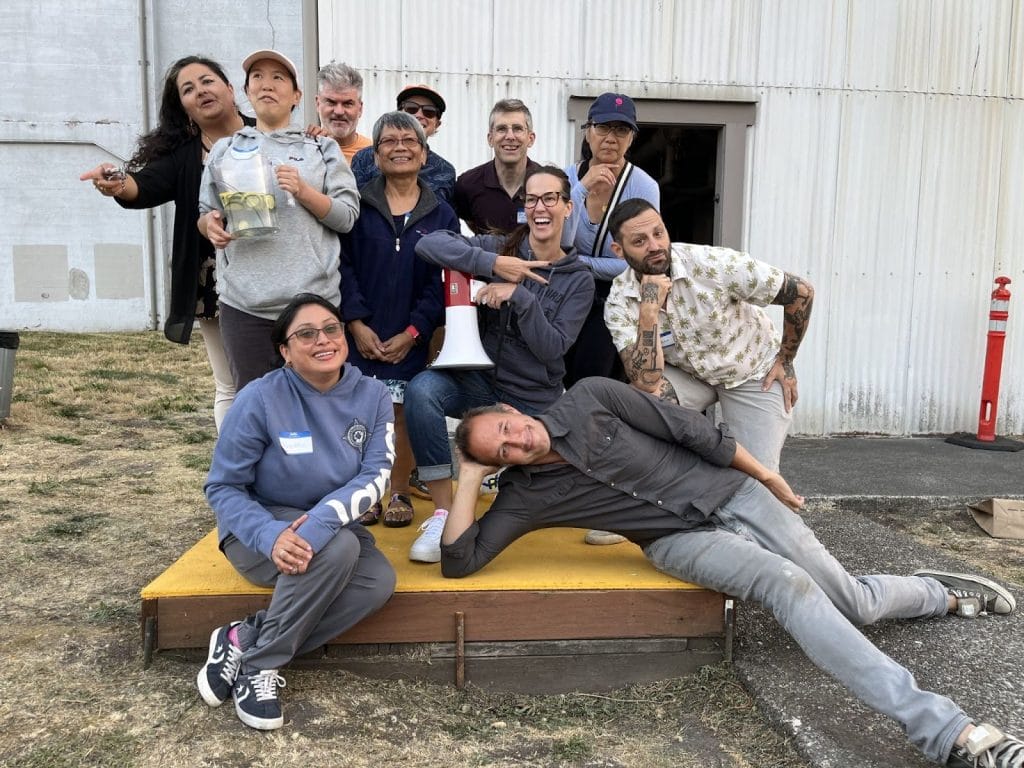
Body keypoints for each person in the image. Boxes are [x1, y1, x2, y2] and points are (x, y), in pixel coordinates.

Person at [442, 376, 1023, 768]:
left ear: (512, 411)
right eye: (500, 452)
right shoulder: (523, 497)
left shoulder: (591, 397)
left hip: (734, 493)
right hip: (677, 541)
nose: (517, 442)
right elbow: (459, 561)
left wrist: (766, 477)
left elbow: (691, 431)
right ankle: (951, 733)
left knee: (854, 603)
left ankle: (937, 592)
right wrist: (467, 475)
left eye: (507, 429)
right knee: (786, 583)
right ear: (497, 468)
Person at [199, 292, 396, 731]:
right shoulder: (259, 397)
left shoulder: (373, 395)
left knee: (377, 584)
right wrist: (270, 535)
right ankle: (260, 667)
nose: (322, 340)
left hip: (331, 525)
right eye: (306, 334)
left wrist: (320, 523)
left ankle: (244, 637)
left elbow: (377, 476)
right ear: (285, 352)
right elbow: (223, 486)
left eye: (331, 329)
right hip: (258, 533)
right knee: (339, 549)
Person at [403, 165, 594, 562]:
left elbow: (553, 349)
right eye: (531, 200)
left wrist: (519, 296)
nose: (540, 208)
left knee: (551, 490)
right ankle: (443, 513)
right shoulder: (501, 247)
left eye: (550, 198)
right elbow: (428, 245)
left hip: (534, 400)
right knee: (422, 391)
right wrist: (492, 264)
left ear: (568, 207)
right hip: (480, 385)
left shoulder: (579, 278)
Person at [80, 55, 253, 431]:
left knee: (286, 374)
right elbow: (141, 186)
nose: (200, 91)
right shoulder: (184, 156)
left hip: (274, 273)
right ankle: (232, 465)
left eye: (206, 81)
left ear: (229, 88)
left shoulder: (266, 136)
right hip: (215, 283)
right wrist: (116, 180)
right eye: (188, 89)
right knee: (231, 384)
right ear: (184, 107)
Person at [605, 196, 814, 472]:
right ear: (619, 250)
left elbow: (801, 292)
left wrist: (786, 359)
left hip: (752, 371)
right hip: (692, 375)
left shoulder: (712, 264)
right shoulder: (619, 300)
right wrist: (649, 310)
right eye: (640, 241)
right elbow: (646, 381)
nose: (654, 246)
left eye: (658, 233)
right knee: (637, 409)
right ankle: (673, 481)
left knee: (756, 476)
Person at [197, 49, 360, 391]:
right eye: (257, 77)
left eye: (278, 77)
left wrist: (304, 191)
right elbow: (206, 212)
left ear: (297, 96)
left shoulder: (321, 148)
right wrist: (210, 226)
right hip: (245, 305)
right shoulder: (225, 150)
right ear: (247, 91)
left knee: (317, 404)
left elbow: (347, 218)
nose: (266, 85)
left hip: (313, 304)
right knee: (255, 405)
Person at [339, 111, 457, 527]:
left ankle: (399, 491)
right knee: (358, 412)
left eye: (410, 141)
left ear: (424, 154)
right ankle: (364, 492)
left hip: (410, 334)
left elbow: (442, 282)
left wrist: (413, 332)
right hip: (361, 332)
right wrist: (355, 323)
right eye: (389, 141)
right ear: (375, 154)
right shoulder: (357, 205)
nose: (400, 148)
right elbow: (342, 267)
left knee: (401, 412)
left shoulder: (442, 214)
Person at [563, 93, 660, 387]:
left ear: (631, 138)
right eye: (603, 127)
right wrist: (581, 189)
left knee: (593, 376)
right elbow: (558, 243)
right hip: (567, 291)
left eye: (621, 130)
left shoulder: (643, 186)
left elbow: (640, 262)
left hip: (615, 296)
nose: (610, 138)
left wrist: (581, 262)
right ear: (588, 131)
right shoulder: (566, 179)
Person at [349, 84, 456, 202]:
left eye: (429, 111)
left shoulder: (445, 171)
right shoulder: (363, 159)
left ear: (437, 124)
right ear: (398, 114)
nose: (419, 115)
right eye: (411, 108)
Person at [451, 98, 540, 234]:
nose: (510, 136)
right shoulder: (467, 185)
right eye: (501, 129)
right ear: (490, 138)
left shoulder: (548, 183)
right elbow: (471, 221)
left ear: (530, 138)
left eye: (517, 129)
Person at [311, 61, 371, 162]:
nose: (339, 112)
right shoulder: (303, 152)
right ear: (318, 104)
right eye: (331, 102)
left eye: (347, 103)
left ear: (360, 109)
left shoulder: (376, 156)